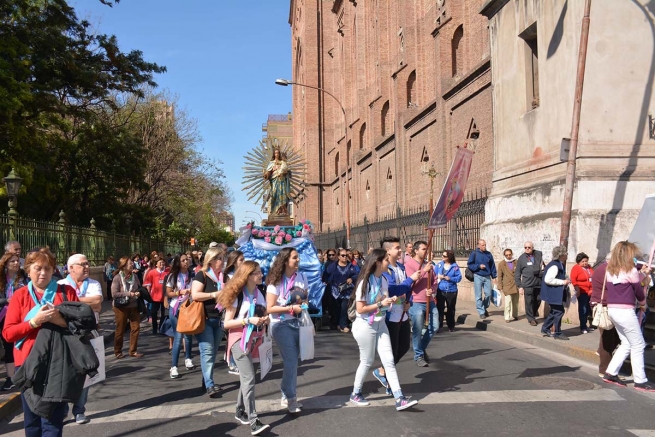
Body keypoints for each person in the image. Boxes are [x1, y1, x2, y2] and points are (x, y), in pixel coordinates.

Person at [2, 247, 79, 436]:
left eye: (48, 268)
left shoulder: (66, 292)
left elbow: (82, 326)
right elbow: (8, 334)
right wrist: (34, 322)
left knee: (52, 423)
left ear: (54, 270)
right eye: (38, 268)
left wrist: (59, 320)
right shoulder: (20, 296)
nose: (43, 273)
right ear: (28, 270)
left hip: (58, 364)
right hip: (28, 365)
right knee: (32, 423)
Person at [348, 248, 418, 411]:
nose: (389, 262)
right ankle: (355, 393)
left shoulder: (384, 280)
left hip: (380, 324)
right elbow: (360, 309)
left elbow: (384, 301)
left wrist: (394, 301)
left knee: (389, 361)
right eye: (386, 260)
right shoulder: (364, 282)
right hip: (365, 326)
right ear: (378, 262)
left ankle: (399, 398)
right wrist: (380, 304)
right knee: (367, 361)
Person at [220, 261, 270, 434]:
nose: (261, 274)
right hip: (238, 339)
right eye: (257, 272)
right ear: (248, 275)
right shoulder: (237, 295)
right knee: (249, 378)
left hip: (256, 339)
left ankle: (240, 410)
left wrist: (265, 319)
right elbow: (226, 323)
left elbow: (263, 312)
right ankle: (253, 420)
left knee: (248, 378)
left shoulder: (259, 292)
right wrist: (247, 320)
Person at [601, 241, 655, 391]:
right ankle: (640, 380)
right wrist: (643, 302)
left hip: (613, 309)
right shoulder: (630, 270)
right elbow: (638, 290)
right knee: (638, 344)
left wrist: (643, 274)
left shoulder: (610, 270)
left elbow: (629, 285)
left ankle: (611, 372)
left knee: (626, 343)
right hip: (625, 311)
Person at [372, 237, 422, 396]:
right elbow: (393, 289)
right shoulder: (385, 270)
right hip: (391, 316)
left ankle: (382, 371)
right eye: (397, 248)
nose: (401, 251)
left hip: (403, 313)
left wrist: (410, 301)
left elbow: (407, 290)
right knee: (392, 350)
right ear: (388, 251)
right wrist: (411, 279)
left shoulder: (400, 266)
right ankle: (390, 382)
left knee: (404, 347)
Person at [58, 253, 103, 425]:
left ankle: (79, 410)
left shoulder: (94, 283)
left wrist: (71, 303)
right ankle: (62, 410)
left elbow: (98, 302)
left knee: (86, 373)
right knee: (65, 373)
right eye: (82, 264)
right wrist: (83, 304)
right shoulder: (60, 285)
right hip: (67, 334)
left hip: (88, 333)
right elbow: (60, 307)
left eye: (87, 263)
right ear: (71, 268)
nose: (87, 267)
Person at [266, 247, 309, 413]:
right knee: (291, 361)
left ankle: (285, 391)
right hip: (280, 324)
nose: (298, 260)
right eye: (294, 258)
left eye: (298, 257)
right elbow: (269, 308)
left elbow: (305, 301)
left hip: (298, 323)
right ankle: (291, 398)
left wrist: (302, 305)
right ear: (285, 261)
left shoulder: (302, 277)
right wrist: (290, 308)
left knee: (293, 362)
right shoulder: (275, 281)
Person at [191, 247, 226, 397]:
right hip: (204, 318)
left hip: (218, 319)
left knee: (212, 352)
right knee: (207, 351)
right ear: (211, 261)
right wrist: (213, 294)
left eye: (223, 258)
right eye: (219, 258)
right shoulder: (202, 275)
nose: (222, 261)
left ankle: (206, 380)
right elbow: (195, 294)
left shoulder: (223, 277)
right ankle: (210, 384)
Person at [405, 241, 438, 367]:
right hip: (416, 301)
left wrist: (433, 289)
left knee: (434, 326)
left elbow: (434, 280)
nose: (426, 251)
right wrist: (424, 271)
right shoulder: (410, 264)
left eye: (427, 249)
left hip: (429, 301)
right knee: (418, 329)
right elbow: (412, 283)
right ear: (416, 250)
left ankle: (421, 347)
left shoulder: (428, 264)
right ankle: (418, 356)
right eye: (424, 249)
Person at [0, 252, 27, 391]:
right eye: (12, 261)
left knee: (16, 345)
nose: (16, 263)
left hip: (20, 316)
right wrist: (6, 301)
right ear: (5, 264)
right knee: (7, 346)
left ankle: (16, 376)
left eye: (17, 261)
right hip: (2, 316)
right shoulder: (1, 280)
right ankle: (10, 377)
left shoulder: (24, 278)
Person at [165, 254, 195, 379]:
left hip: (188, 308)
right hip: (175, 309)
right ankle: (174, 366)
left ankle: (188, 358)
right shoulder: (173, 276)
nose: (186, 262)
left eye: (187, 260)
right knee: (178, 337)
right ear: (178, 263)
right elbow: (168, 292)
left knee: (188, 335)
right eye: (183, 260)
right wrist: (179, 292)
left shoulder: (192, 275)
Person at [590, 259, 620, 377]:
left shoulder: (604, 268)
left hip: (607, 306)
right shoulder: (607, 270)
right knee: (607, 339)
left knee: (613, 338)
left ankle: (604, 359)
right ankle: (604, 369)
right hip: (604, 307)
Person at [111, 256, 144, 358]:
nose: (132, 264)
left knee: (136, 328)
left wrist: (139, 293)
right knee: (120, 329)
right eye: (130, 263)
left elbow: (139, 287)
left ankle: (133, 351)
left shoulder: (134, 276)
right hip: (121, 307)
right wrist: (129, 294)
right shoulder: (117, 278)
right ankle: (118, 351)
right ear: (124, 266)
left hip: (134, 306)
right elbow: (114, 294)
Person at [323, 248, 359, 332]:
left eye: (346, 255)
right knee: (336, 308)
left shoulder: (351, 266)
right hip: (335, 291)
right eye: (342, 255)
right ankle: (337, 323)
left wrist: (351, 278)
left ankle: (343, 325)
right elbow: (325, 275)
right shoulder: (333, 266)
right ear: (338, 256)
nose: (345, 257)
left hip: (347, 291)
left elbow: (357, 275)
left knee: (344, 307)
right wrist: (327, 282)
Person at [540, 246, 570, 340]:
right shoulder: (554, 265)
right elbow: (548, 280)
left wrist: (565, 280)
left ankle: (545, 328)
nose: (567, 255)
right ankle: (557, 332)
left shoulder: (559, 264)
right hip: (553, 293)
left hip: (555, 293)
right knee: (559, 311)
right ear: (561, 255)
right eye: (565, 253)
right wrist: (562, 282)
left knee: (555, 311)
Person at [224, 250, 245, 375]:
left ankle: (236, 360)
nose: (243, 262)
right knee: (232, 336)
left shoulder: (244, 275)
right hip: (231, 309)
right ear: (234, 262)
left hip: (242, 307)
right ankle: (232, 361)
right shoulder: (228, 276)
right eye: (241, 260)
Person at [515, 241, 544, 326]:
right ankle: (531, 318)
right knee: (529, 302)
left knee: (538, 299)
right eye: (525, 247)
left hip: (538, 283)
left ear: (532, 248)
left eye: (529, 247)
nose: (527, 249)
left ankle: (533, 313)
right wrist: (519, 286)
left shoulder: (538, 256)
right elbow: (517, 273)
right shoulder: (521, 258)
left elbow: (543, 267)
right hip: (527, 284)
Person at [467, 239, 497, 319]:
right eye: (482, 245)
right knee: (478, 295)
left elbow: (492, 265)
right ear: (478, 245)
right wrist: (478, 266)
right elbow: (470, 264)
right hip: (478, 276)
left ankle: (484, 307)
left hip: (487, 276)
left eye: (485, 245)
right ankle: (481, 311)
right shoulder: (474, 253)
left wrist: (494, 276)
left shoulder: (488, 254)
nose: (484, 246)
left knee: (488, 294)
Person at [434, 249, 462, 331]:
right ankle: (439, 326)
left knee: (451, 309)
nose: (442, 257)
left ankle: (451, 326)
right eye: (442, 255)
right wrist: (438, 276)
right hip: (441, 289)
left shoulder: (455, 266)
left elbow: (459, 277)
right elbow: (433, 275)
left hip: (451, 290)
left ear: (449, 257)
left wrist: (450, 278)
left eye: (444, 256)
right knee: (440, 308)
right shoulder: (439, 265)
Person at [570, 252, 595, 334]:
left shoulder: (589, 268)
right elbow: (573, 280)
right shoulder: (576, 268)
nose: (585, 263)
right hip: (582, 291)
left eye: (586, 261)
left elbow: (593, 277)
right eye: (582, 261)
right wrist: (577, 289)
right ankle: (583, 327)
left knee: (588, 309)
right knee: (583, 309)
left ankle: (587, 325)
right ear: (579, 262)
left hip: (590, 292)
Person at [144, 258, 169, 335]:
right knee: (154, 313)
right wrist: (148, 295)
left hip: (164, 296)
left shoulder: (167, 272)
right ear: (156, 264)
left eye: (163, 262)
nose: (162, 263)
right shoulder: (152, 272)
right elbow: (148, 284)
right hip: (154, 297)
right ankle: (154, 328)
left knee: (164, 314)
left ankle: (161, 328)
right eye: (160, 262)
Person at [264, 147, 291, 215]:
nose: (277, 154)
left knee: (283, 194)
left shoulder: (282, 162)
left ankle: (283, 210)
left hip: (282, 181)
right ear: (274, 154)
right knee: (275, 194)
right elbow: (268, 172)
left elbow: (286, 170)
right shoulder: (271, 163)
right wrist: (266, 174)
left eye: (278, 153)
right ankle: (276, 210)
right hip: (274, 180)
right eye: (275, 153)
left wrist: (283, 171)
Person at [497, 248, 519, 323]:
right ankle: (507, 317)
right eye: (506, 255)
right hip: (507, 285)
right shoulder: (501, 264)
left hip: (515, 284)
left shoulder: (516, 262)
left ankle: (515, 315)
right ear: (504, 255)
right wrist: (499, 286)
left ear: (512, 254)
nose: (508, 256)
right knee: (508, 302)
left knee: (515, 301)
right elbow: (499, 276)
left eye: (510, 254)